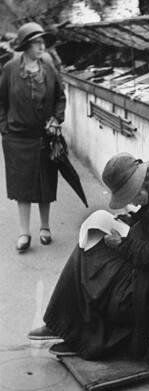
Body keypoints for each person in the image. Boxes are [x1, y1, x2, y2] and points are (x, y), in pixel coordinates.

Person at [28, 153, 149, 359]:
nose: (133, 201)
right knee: (87, 250)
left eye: (131, 196)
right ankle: (63, 325)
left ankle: (79, 335)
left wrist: (123, 245)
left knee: (97, 269)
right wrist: (127, 221)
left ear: (140, 184)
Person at [0, 22, 66, 252]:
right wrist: (4, 129)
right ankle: (24, 233)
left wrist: (56, 120)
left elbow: (60, 96)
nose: (41, 47)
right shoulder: (9, 69)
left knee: (45, 181)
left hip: (44, 137)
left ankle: (45, 228)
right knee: (23, 185)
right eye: (37, 43)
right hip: (17, 138)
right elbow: (1, 101)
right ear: (26, 46)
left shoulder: (48, 68)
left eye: (43, 43)